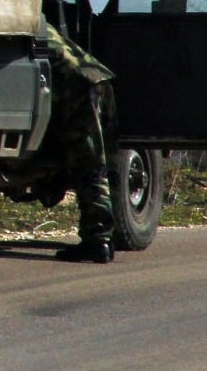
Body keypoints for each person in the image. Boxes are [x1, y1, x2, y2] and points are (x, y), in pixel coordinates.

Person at [43, 23, 117, 263]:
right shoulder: (40, 25)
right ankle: (101, 239)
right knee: (93, 166)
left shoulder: (24, 25)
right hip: (94, 81)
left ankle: (99, 241)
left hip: (82, 90)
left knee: (90, 167)